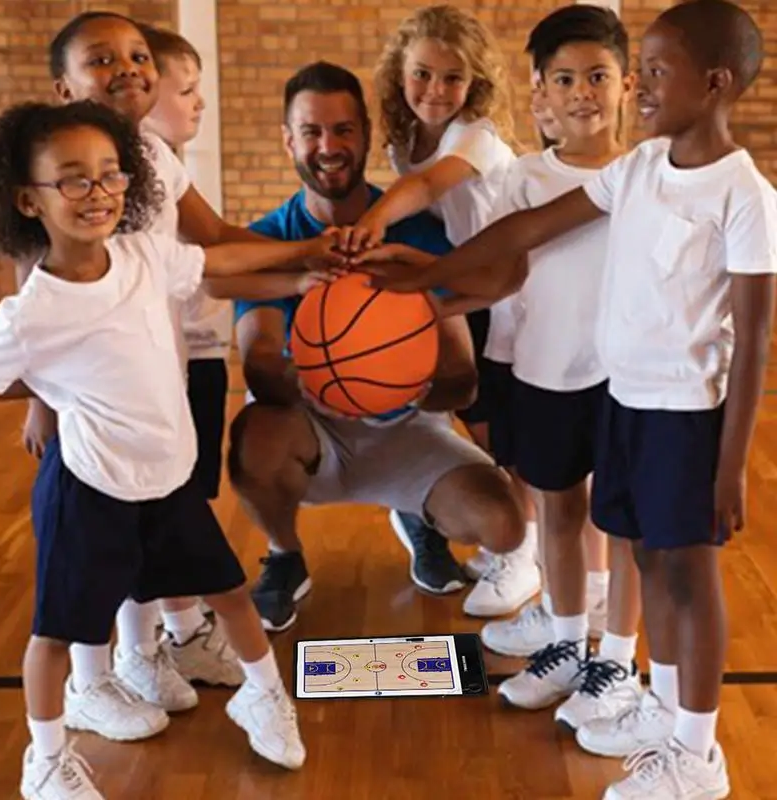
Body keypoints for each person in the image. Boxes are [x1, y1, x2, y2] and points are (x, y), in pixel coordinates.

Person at [369, 2, 776, 797]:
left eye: (656, 72)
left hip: (686, 416)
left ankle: (698, 756)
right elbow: (524, 234)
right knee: (650, 562)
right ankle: (662, 710)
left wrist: (730, 470)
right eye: (645, 70)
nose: (642, 86)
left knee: (689, 578)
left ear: (717, 83)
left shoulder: (746, 196)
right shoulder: (638, 170)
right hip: (625, 402)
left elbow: (758, 342)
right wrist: (423, 278)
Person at [0, 101, 337, 797]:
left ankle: (263, 697)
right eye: (73, 180)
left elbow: (217, 259)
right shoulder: (33, 313)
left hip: (166, 478)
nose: (99, 193)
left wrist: (302, 257)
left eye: (111, 175)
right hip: (90, 486)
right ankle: (46, 758)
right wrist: (37, 392)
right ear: (28, 199)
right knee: (59, 634)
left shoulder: (142, 252)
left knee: (231, 593)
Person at [216, 61, 526, 634]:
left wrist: (408, 377)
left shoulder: (417, 234)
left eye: (343, 130)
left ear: (366, 136)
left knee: (505, 526)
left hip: (407, 427)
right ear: (288, 140)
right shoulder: (266, 239)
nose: (328, 146)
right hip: (314, 433)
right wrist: (309, 374)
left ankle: (419, 518)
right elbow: (259, 363)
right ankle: (285, 556)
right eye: (311, 132)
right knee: (255, 436)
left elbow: (461, 379)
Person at [476, 5, 642, 737]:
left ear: (627, 85)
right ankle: (570, 645)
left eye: (598, 76)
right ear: (539, 91)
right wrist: (501, 376)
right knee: (561, 513)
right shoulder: (520, 179)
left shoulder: (648, 175)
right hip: (545, 373)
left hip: (629, 377)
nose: (583, 93)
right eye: (566, 79)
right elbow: (506, 286)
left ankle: (621, 657)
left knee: (625, 523)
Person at [345, 3, 538, 617]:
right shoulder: (407, 139)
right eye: (422, 74)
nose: (435, 89)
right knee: (470, 414)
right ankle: (509, 536)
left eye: (452, 78)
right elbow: (433, 213)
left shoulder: (473, 136)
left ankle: (524, 556)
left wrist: (374, 220)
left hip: (516, 289)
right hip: (468, 283)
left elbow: (429, 189)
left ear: (474, 85)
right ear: (400, 74)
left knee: (503, 432)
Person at [138, 22, 242, 690]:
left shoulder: (162, 160)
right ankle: (162, 635)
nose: (198, 103)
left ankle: (171, 629)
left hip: (193, 356)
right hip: (148, 373)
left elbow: (222, 242)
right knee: (158, 508)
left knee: (184, 496)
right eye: (186, 90)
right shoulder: (136, 156)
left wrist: (306, 253)